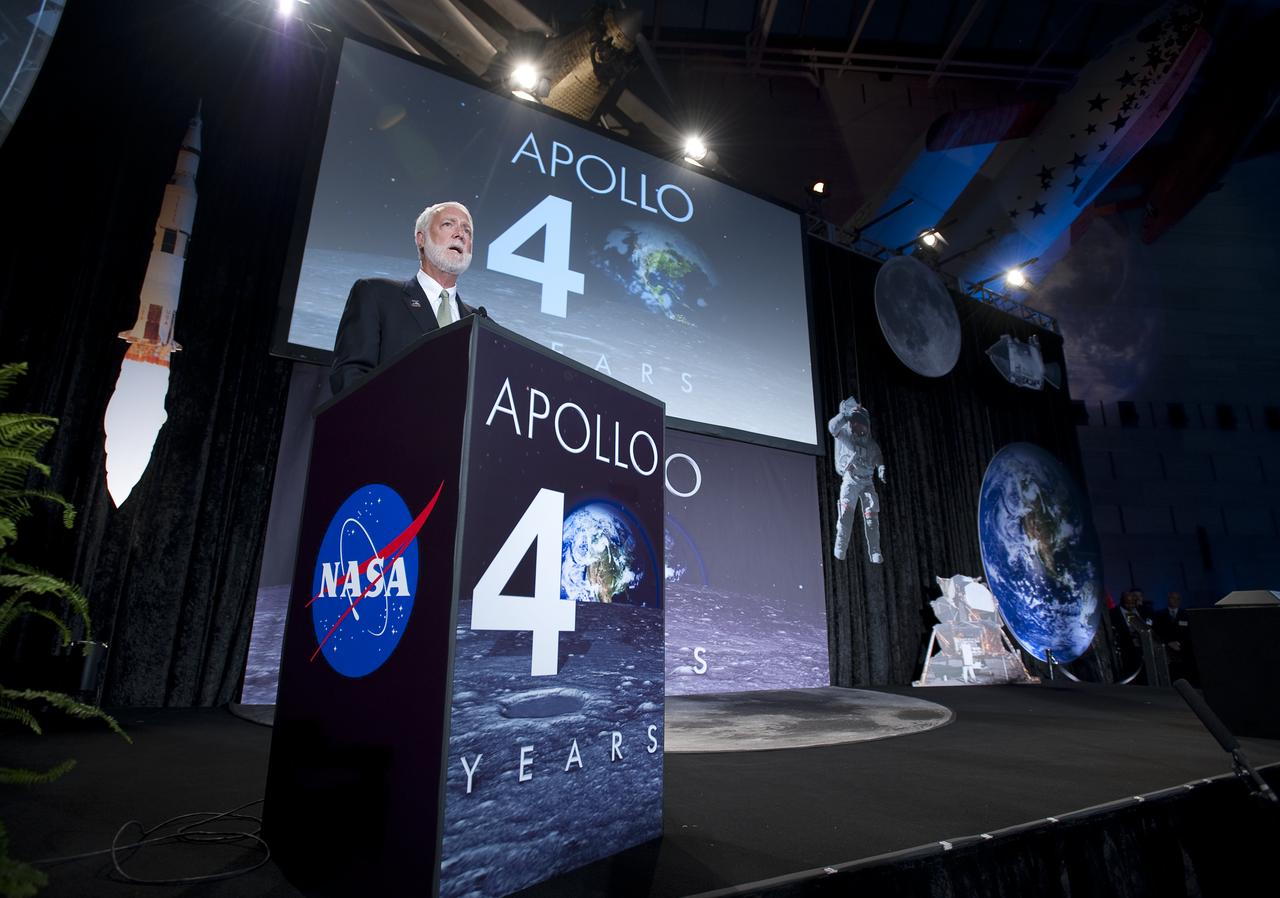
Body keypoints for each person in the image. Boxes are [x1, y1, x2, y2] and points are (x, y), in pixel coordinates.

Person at [330, 201, 483, 396]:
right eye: (448, 224)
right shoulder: (376, 294)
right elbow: (349, 375)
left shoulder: (477, 321)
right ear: (421, 238)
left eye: (467, 230)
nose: (460, 234)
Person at [828, 396, 886, 563]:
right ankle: (840, 547)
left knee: (871, 519)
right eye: (854, 422)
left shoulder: (871, 444)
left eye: (860, 423)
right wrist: (845, 416)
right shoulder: (846, 435)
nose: (857, 426)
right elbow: (832, 428)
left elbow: (878, 456)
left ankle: (875, 550)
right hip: (851, 480)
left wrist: (881, 467)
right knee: (845, 515)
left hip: (867, 482)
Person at [1153, 591, 1197, 684]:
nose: (1174, 600)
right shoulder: (1158, 615)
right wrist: (1168, 642)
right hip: (1167, 650)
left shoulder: (1186, 614)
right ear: (1168, 599)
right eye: (1172, 598)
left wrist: (1180, 643)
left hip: (1184, 651)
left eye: (1177, 598)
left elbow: (1190, 632)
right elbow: (1156, 632)